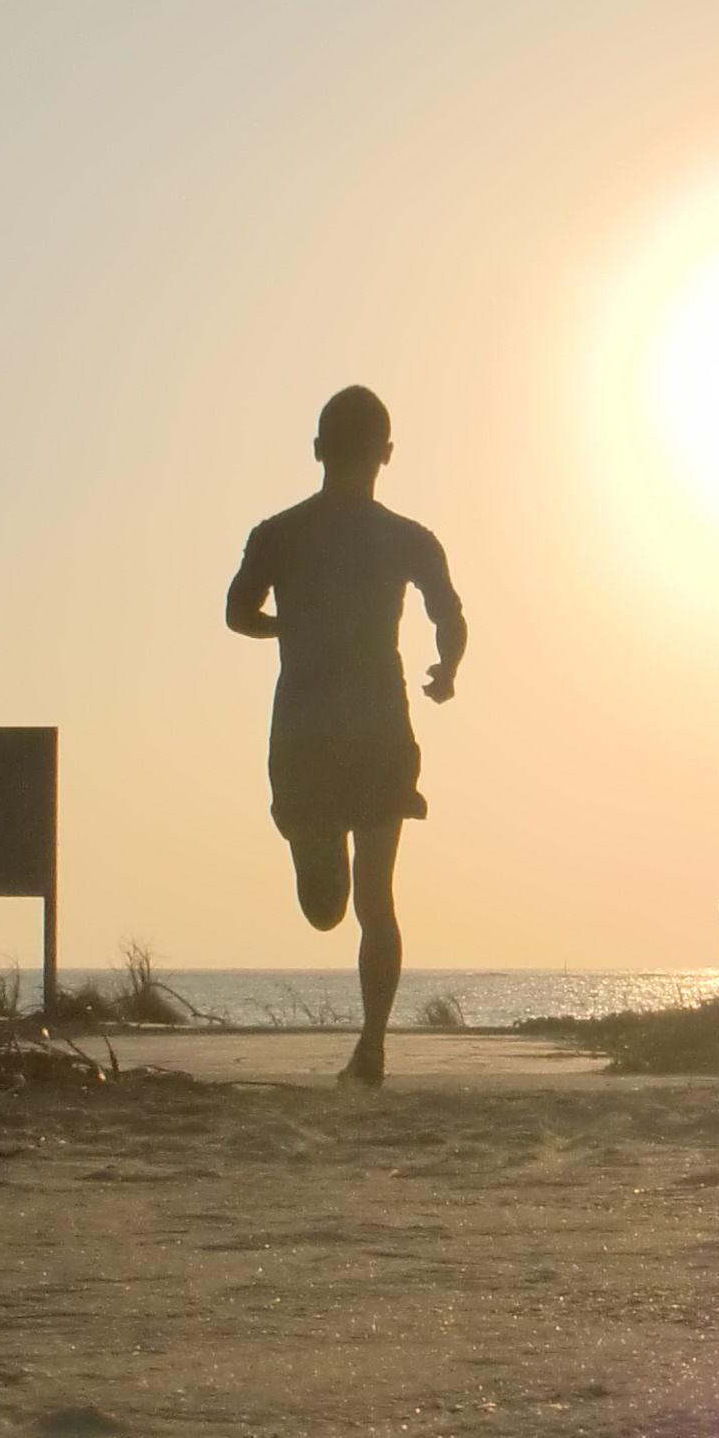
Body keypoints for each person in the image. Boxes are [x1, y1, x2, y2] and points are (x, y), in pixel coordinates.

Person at [224, 386, 465, 1085]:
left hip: (328, 731)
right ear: (385, 455)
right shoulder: (365, 536)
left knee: (364, 901)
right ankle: (373, 1039)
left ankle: (372, 1047)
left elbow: (239, 613)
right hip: (350, 730)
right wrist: (447, 669)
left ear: (319, 450)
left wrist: (285, 629)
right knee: (342, 904)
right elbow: (450, 617)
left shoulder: (293, 534)